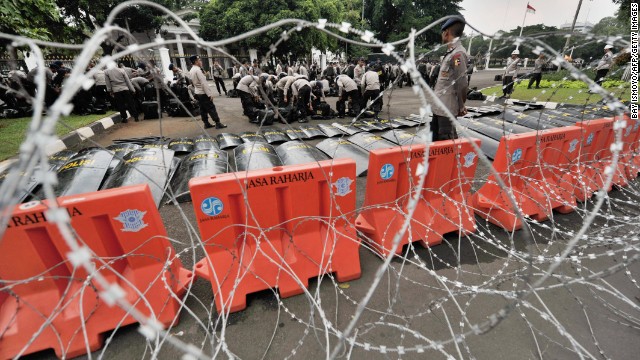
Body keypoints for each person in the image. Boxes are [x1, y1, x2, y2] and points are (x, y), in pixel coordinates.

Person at [431, 16, 469, 141]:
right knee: (436, 145)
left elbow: (462, 82)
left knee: (446, 145)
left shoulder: (457, 54)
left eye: (443, 32)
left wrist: (461, 106)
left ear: (446, 32)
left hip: (446, 110)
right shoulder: (451, 53)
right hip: (439, 108)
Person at [188, 55, 227, 129]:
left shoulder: (191, 70)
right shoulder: (198, 70)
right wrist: (209, 94)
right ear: (196, 61)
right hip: (203, 93)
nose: (201, 61)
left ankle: (206, 123)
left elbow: (192, 82)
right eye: (199, 60)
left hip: (198, 92)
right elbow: (203, 83)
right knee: (211, 108)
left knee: (203, 109)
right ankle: (217, 123)